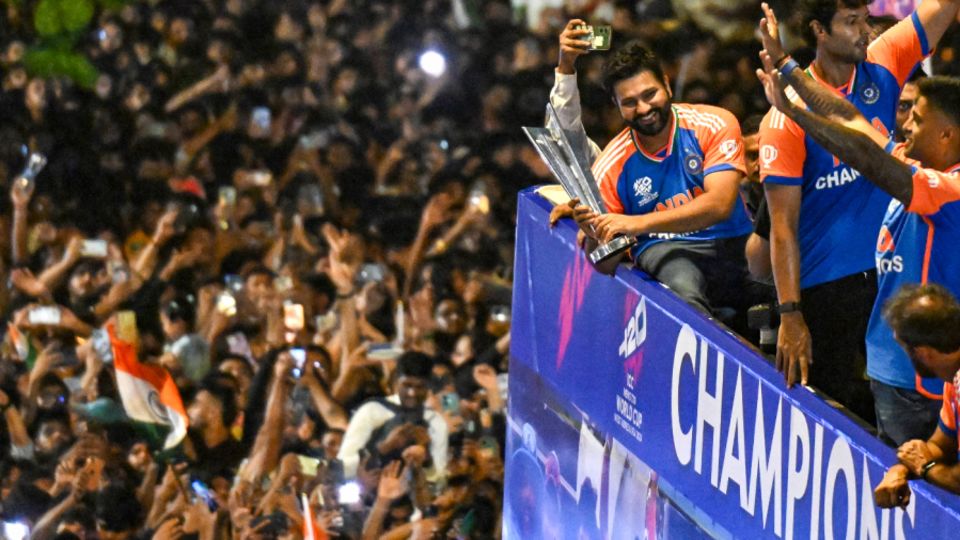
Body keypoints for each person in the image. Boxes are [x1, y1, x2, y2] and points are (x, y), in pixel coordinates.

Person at [757, 3, 960, 444]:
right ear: (819, 31)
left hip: (921, 373)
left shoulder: (941, 188)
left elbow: (865, 154)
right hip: (865, 322)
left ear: (947, 135)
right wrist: (792, 75)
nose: (903, 124)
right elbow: (850, 121)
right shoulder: (911, 159)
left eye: (917, 118)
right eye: (851, 22)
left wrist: (797, 110)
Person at [554, 29, 753, 318]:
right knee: (680, 285)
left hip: (734, 242)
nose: (644, 108)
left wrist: (634, 223)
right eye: (630, 102)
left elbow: (719, 205)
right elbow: (605, 265)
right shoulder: (610, 166)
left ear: (668, 87)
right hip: (667, 251)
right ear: (617, 106)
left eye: (650, 94)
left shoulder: (714, 123)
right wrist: (593, 235)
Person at [869, 284, 960, 506]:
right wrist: (901, 469)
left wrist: (926, 468)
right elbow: (941, 446)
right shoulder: (954, 380)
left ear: (923, 353)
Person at [337, 351, 448, 481]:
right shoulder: (372, 411)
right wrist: (384, 449)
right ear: (396, 381)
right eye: (407, 385)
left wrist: (427, 457)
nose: (412, 393)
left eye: (420, 387)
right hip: (367, 494)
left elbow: (439, 482)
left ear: (428, 386)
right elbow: (342, 466)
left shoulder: (435, 422)